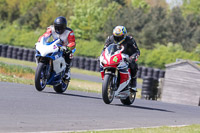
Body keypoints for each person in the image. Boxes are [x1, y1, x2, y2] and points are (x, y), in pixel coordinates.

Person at [38, 16, 76, 83]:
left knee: (69, 54)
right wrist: (40, 41)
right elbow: (45, 35)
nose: (59, 29)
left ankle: (66, 71)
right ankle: (43, 68)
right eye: (57, 27)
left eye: (61, 27)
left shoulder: (69, 32)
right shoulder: (51, 29)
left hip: (65, 47)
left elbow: (72, 42)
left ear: (64, 27)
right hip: (54, 46)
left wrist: (68, 47)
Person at [102, 25, 140, 91]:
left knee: (133, 64)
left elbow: (137, 51)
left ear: (124, 35)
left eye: (120, 37)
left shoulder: (130, 40)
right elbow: (105, 49)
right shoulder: (110, 39)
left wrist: (132, 57)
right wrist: (101, 56)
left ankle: (133, 81)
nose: (117, 39)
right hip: (114, 56)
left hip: (126, 57)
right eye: (116, 37)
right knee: (103, 62)